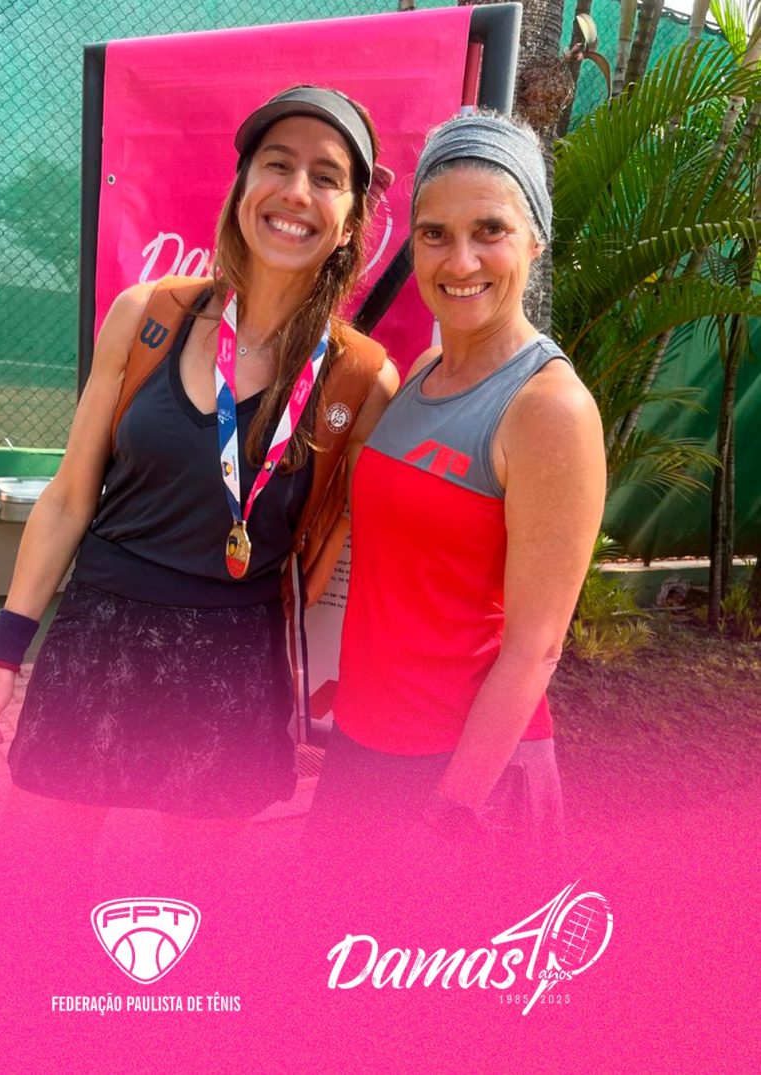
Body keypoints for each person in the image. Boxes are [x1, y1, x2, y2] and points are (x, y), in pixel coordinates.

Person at [0, 86, 398, 845]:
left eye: (327, 176)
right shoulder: (147, 316)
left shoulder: (363, 380)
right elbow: (68, 499)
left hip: (234, 661)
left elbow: (359, 550)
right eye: (277, 163)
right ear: (241, 186)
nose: (297, 192)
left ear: (353, 220)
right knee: (35, 875)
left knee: (197, 900)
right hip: (98, 637)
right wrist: (2, 658)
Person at [307, 113, 606, 877]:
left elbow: (537, 647)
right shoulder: (422, 371)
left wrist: (453, 809)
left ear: (535, 240)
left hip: (461, 779)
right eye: (435, 234)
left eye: (490, 230)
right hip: (361, 750)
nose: (460, 259)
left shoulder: (549, 408)